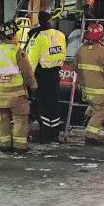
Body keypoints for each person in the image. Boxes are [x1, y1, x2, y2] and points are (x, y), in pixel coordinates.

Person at [0, 20, 38, 153]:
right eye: (15, 34)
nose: (16, 36)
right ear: (11, 36)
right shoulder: (18, 52)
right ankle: (20, 146)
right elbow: (27, 72)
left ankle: (5, 145)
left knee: (2, 119)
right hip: (17, 95)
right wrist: (33, 86)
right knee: (19, 119)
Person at [74, 22, 104, 146]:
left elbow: (75, 67)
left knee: (94, 104)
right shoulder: (103, 52)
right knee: (101, 110)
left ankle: (88, 118)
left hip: (85, 88)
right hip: (99, 89)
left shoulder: (80, 50)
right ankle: (91, 136)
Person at [27, 12, 66, 143]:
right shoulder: (60, 35)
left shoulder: (37, 37)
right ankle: (55, 133)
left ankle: (46, 133)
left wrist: (28, 79)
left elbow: (32, 61)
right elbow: (63, 55)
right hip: (55, 73)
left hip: (41, 74)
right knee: (54, 103)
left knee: (42, 104)